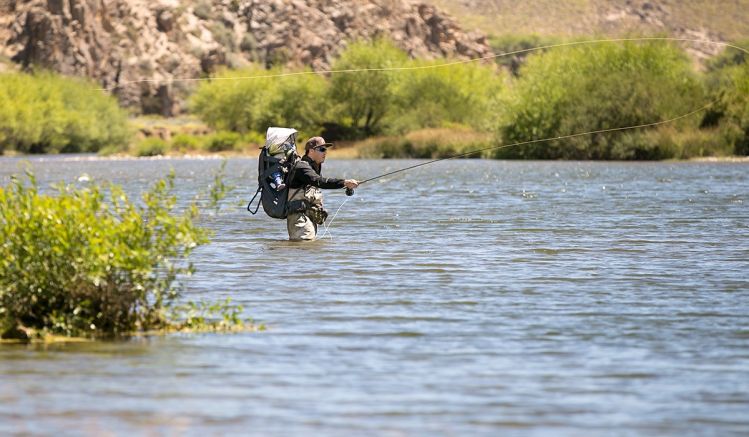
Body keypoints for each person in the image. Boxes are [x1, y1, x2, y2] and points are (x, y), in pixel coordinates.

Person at [286, 136, 359, 241]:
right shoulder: (302, 167)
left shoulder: (314, 167)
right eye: (322, 149)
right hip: (299, 219)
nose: (325, 152)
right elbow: (319, 181)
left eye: (326, 149)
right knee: (303, 249)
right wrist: (344, 182)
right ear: (311, 151)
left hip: (308, 218)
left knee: (309, 249)